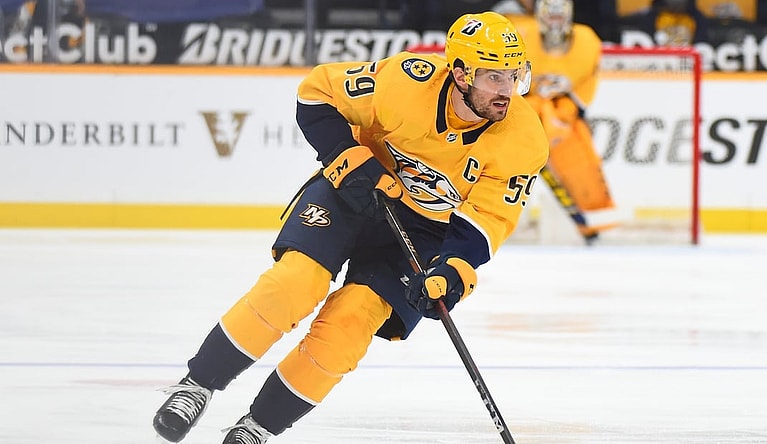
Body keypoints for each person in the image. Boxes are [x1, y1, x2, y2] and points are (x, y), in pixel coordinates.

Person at [152, 11, 548, 444]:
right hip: (354, 194)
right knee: (294, 285)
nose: (507, 90)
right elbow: (316, 94)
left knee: (349, 326)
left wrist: (453, 272)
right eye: (493, 76)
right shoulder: (406, 81)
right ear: (459, 73)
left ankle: (258, 428)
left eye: (514, 75)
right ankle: (197, 385)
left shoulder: (524, 138)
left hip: (423, 235)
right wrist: (348, 158)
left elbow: (486, 221)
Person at [506, 0, 617, 244]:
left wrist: (561, 113)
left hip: (563, 117)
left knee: (581, 166)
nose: (555, 20)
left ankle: (592, 224)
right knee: (501, 171)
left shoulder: (587, 41)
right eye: (550, 13)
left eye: (560, 14)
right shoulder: (520, 34)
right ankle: (491, 221)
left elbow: (586, 85)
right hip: (522, 115)